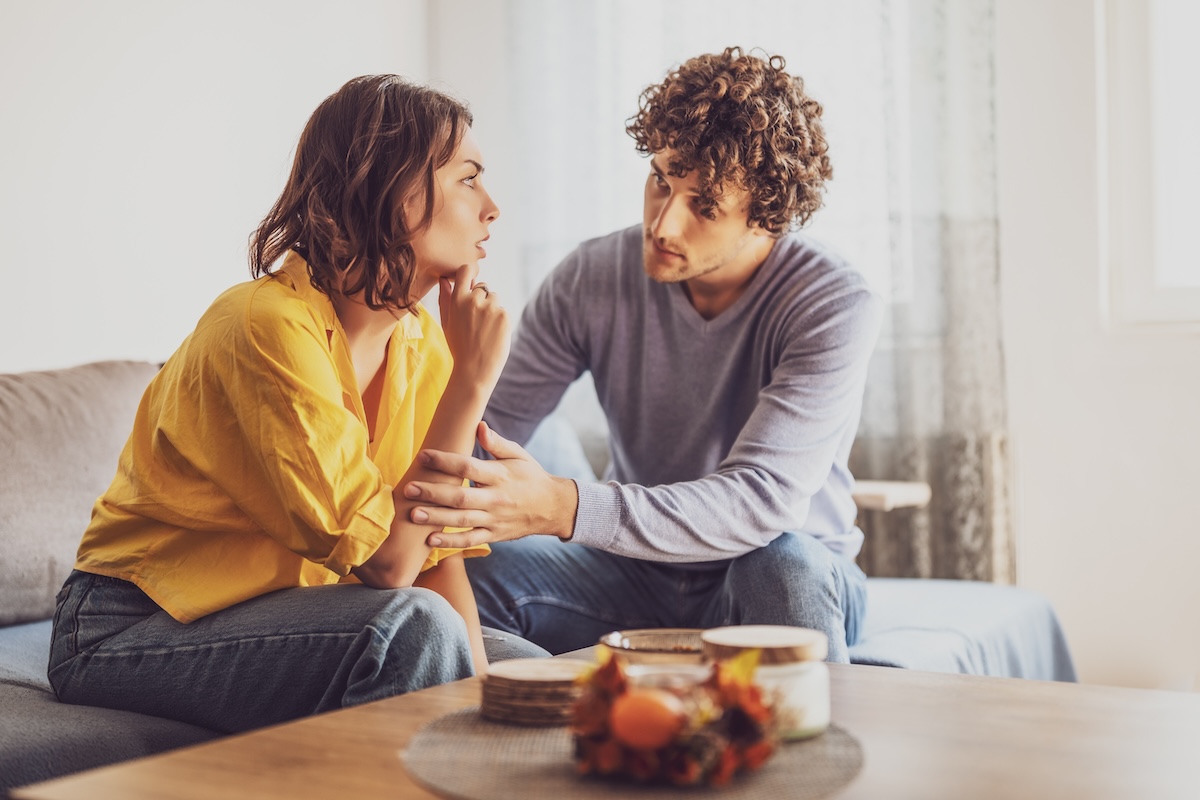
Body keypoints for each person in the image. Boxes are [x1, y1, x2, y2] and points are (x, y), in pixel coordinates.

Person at [47, 75, 546, 735]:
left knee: (525, 671)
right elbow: (389, 564)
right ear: (391, 190)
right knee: (415, 632)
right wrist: (470, 386)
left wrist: (485, 705)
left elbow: (432, 555)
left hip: (279, 609)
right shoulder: (264, 325)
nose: (493, 208)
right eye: (468, 179)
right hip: (128, 624)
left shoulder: (422, 340)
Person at [401, 48, 883, 663]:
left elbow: (761, 500)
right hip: (632, 572)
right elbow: (483, 437)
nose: (663, 225)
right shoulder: (591, 277)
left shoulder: (832, 300)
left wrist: (564, 506)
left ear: (767, 218)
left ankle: (805, 729)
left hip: (770, 571)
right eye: (662, 180)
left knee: (784, 564)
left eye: (704, 206)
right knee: (461, 574)